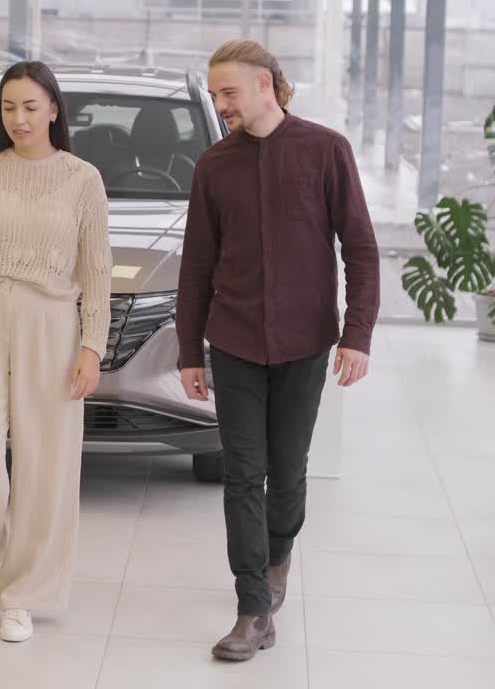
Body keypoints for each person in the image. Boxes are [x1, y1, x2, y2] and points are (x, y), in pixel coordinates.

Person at [176, 40, 381, 662]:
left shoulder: (326, 151)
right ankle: (252, 608)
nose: (221, 105)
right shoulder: (214, 165)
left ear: (266, 84)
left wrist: (358, 334)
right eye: (214, 95)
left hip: (304, 342)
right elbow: (197, 266)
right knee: (243, 473)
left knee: (287, 474)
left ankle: (279, 557)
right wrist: (190, 351)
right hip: (233, 339)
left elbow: (362, 250)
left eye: (228, 92)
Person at [0, 60, 113, 643]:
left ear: (54, 109)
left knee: (46, 467)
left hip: (53, 324)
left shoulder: (83, 179)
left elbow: (97, 272)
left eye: (31, 107)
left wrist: (92, 345)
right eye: (9, 108)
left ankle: (24, 593)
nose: (19, 119)